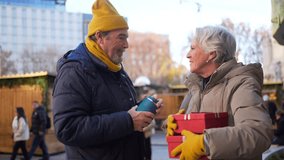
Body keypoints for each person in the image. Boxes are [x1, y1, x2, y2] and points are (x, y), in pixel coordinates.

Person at [52, 0, 163, 159]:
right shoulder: (75, 71)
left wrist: (142, 109)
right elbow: (67, 128)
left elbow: (117, 112)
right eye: (121, 37)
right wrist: (128, 121)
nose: (126, 45)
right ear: (100, 37)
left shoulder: (115, 69)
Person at [165, 25, 273, 160]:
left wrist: (205, 143)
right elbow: (188, 135)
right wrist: (173, 126)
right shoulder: (195, 88)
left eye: (193, 48)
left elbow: (259, 133)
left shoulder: (240, 84)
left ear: (211, 54)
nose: (188, 55)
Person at [134, 77, 156, 160]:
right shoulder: (136, 95)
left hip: (145, 129)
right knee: (142, 150)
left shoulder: (149, 96)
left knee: (147, 150)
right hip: (140, 128)